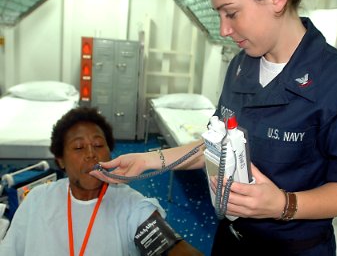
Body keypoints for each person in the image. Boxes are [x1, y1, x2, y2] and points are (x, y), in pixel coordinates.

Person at [91, 0, 337, 255]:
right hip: (230, 239)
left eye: (231, 13)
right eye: (219, 15)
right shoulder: (240, 67)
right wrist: (149, 160)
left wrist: (284, 205)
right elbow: (217, 144)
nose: (223, 29)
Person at [0, 107, 203, 256]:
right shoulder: (37, 200)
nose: (91, 154)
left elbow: (172, 247)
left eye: (98, 145)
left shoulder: (131, 204)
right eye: (78, 147)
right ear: (60, 160)